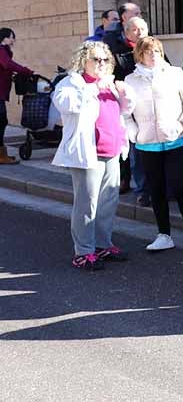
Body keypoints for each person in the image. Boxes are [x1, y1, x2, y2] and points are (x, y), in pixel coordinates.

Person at [51, 41, 133, 270]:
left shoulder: (108, 85)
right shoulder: (72, 83)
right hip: (88, 153)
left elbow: (123, 112)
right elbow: (67, 105)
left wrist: (125, 96)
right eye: (96, 59)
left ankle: (102, 245)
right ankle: (83, 252)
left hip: (113, 149)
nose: (101, 64)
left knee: (108, 202)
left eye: (105, 60)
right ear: (83, 61)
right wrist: (95, 88)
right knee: (87, 205)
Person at [124, 36, 183, 252]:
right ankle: (164, 234)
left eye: (156, 51)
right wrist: (135, 134)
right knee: (156, 189)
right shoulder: (130, 80)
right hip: (147, 143)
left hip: (176, 139)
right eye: (147, 52)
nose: (152, 55)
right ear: (139, 55)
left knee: (179, 185)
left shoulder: (175, 74)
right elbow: (125, 114)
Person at [106, 16, 150, 202]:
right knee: (137, 153)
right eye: (135, 29)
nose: (139, 33)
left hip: (155, 108)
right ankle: (143, 190)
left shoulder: (154, 48)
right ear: (126, 32)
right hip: (132, 110)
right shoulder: (119, 53)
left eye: (142, 28)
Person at [0, 27, 34, 164]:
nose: (13, 40)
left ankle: (2, 154)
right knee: (1, 120)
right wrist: (26, 71)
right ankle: (1, 156)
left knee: (1, 121)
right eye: (11, 37)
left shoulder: (5, 51)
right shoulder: (1, 50)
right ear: (4, 38)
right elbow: (7, 64)